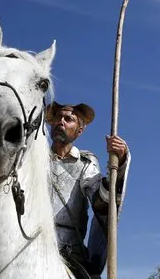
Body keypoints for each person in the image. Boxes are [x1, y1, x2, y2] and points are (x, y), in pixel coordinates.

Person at [45, 101, 131, 279]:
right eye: (58, 118)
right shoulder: (30, 155)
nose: (61, 121)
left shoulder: (85, 163)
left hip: (68, 252)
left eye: (68, 119)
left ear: (79, 131)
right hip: (26, 240)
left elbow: (102, 203)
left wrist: (119, 162)